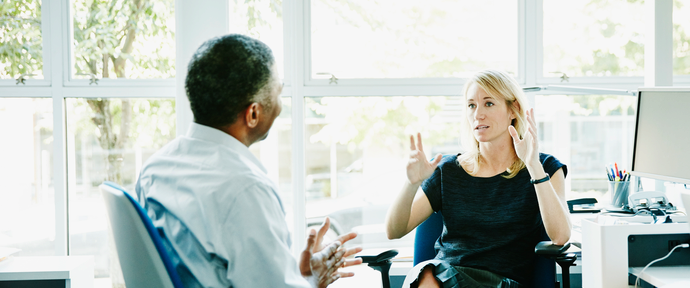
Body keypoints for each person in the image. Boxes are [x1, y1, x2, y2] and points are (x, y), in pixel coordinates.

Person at [135, 34, 362, 288]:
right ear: (253, 113)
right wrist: (311, 281)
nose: (280, 106)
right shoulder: (246, 190)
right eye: (279, 93)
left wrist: (297, 277)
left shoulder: (154, 169)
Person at [385, 70, 572, 288]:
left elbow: (560, 237)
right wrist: (411, 184)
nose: (478, 114)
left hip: (501, 282)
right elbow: (394, 231)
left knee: (428, 276)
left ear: (513, 109)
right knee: (427, 273)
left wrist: (533, 165)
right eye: (471, 105)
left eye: (488, 103)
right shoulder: (447, 170)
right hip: (444, 277)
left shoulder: (545, 167)